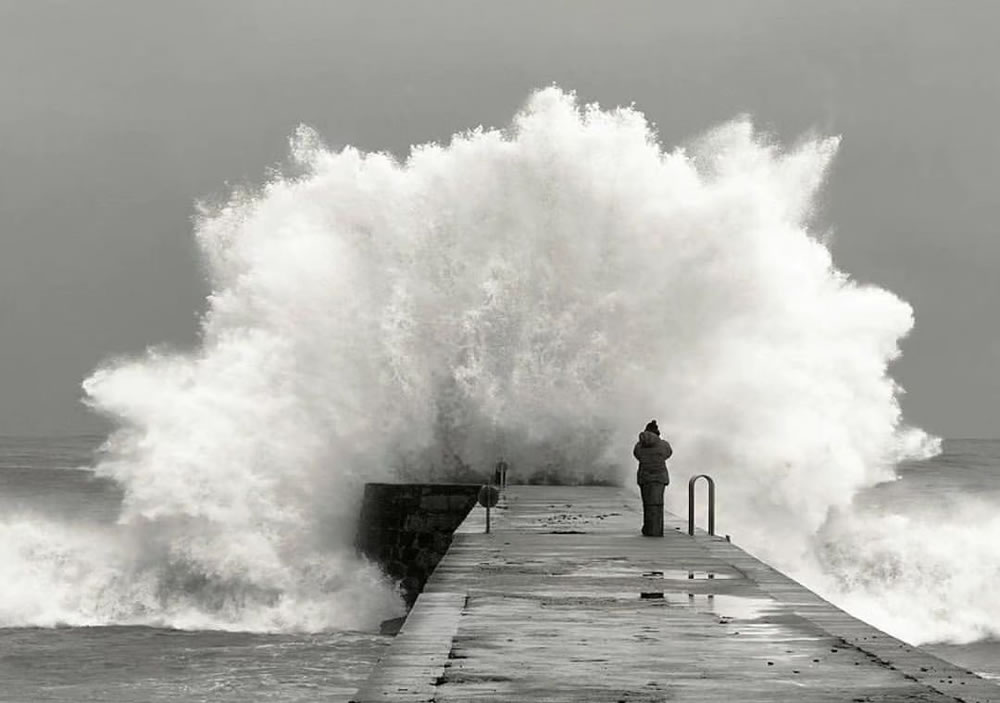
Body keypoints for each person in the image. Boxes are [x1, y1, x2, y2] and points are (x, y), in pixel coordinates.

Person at [633, 420, 672, 537]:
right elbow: (668, 454)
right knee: (658, 504)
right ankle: (657, 529)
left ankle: (648, 528)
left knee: (647, 503)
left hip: (645, 476)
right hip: (660, 476)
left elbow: (637, 455)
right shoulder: (664, 444)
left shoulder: (639, 445)